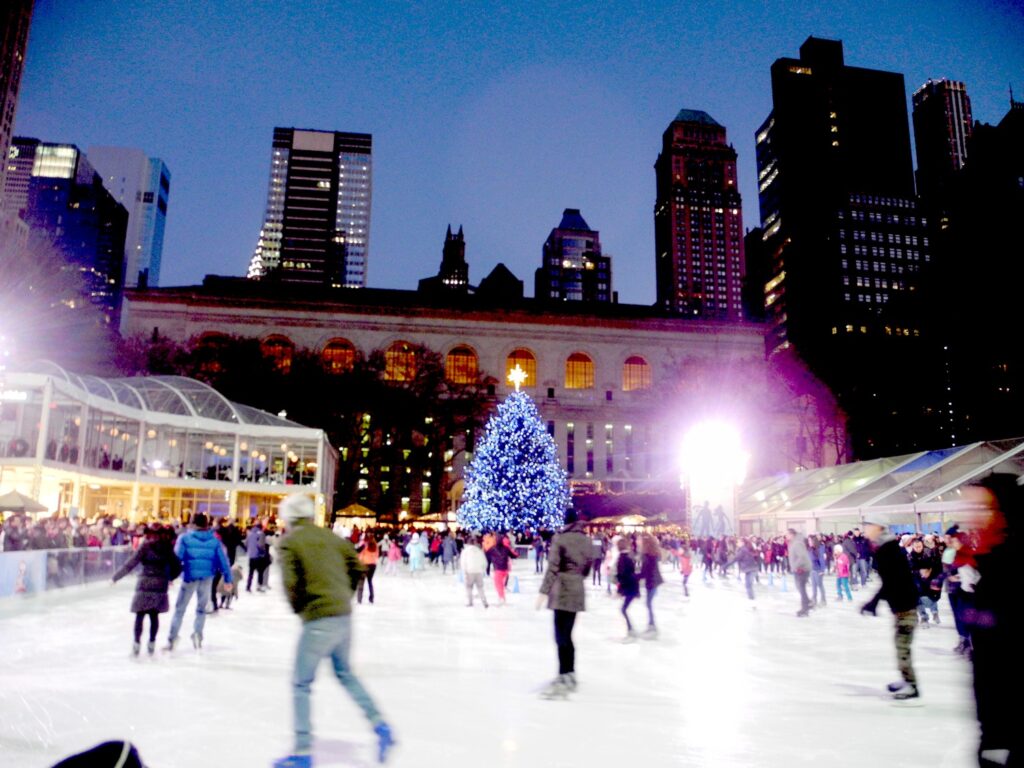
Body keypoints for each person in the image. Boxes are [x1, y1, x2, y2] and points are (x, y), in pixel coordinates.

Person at [274, 493, 394, 768]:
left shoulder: (291, 541)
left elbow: (291, 584)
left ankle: (302, 751)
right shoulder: (332, 537)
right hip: (343, 617)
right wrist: (343, 596)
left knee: (301, 683)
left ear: (289, 518)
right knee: (345, 673)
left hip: (319, 618)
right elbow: (356, 566)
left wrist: (303, 608)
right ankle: (380, 724)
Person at [859, 520, 921, 701]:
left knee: (902, 646)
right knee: (901, 645)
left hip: (905, 605)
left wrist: (873, 603)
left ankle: (912, 686)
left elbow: (891, 581)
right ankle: (906, 679)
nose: (865, 530)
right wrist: (874, 603)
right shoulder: (887, 548)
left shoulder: (888, 550)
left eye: (868, 526)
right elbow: (890, 581)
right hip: (901, 604)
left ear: (879, 527)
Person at [536, 508, 592, 699]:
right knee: (568, 635)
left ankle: (563, 675)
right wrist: (577, 578)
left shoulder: (560, 539)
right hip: (577, 590)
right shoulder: (586, 539)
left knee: (561, 637)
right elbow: (588, 567)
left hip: (561, 592)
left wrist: (543, 592)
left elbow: (552, 568)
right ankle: (570, 673)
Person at [165, 513, 232, 651]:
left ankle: (172, 638)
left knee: (180, 609)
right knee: (201, 609)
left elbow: (176, 559)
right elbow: (223, 561)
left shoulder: (184, 538)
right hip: (207, 577)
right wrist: (228, 579)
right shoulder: (214, 541)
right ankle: (197, 635)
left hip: (189, 577)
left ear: (193, 524)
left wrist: (170, 577)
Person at [111, 524, 180, 656]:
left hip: (145, 583)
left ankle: (136, 644)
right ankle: (151, 643)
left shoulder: (145, 546)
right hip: (160, 584)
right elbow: (177, 566)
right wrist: (170, 578)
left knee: (140, 615)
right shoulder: (167, 547)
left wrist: (115, 577)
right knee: (154, 616)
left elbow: (131, 563)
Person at [638, 533, 663, 637]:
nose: (638, 542)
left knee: (648, 604)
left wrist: (633, 576)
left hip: (652, 582)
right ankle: (651, 625)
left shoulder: (647, 555)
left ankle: (652, 626)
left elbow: (644, 572)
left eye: (640, 540)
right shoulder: (653, 553)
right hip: (654, 581)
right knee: (648, 604)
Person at [616, 537, 640, 642]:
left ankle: (631, 631)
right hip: (632, 586)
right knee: (624, 609)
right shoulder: (628, 557)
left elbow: (623, 575)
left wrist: (620, 589)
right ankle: (631, 630)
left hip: (630, 587)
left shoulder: (622, 559)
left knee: (623, 609)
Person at [486, 533, 517, 605]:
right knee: (501, 585)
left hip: (498, 570)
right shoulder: (506, 548)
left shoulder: (492, 549)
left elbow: (486, 555)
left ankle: (501, 598)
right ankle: (502, 598)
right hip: (505, 570)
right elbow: (514, 555)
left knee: (498, 585)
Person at [787, 529, 813, 617]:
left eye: (787, 534)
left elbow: (802, 556)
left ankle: (805, 609)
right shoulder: (794, 543)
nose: (786, 536)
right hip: (799, 569)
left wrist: (795, 566)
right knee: (800, 588)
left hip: (802, 569)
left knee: (801, 588)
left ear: (792, 534)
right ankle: (808, 603)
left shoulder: (797, 543)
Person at [460, 534, 488, 608]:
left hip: (469, 572)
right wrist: (482, 570)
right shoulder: (479, 551)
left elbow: (463, 562)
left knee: (468, 587)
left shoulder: (465, 551)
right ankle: (484, 601)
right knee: (480, 588)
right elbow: (484, 562)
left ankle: (470, 602)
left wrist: (464, 571)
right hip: (479, 572)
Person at [245, 522, 269, 592]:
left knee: (251, 572)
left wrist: (250, 550)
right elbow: (261, 545)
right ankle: (259, 586)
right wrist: (263, 552)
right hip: (258, 556)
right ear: (261, 527)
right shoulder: (261, 534)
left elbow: (246, 543)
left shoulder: (250, 534)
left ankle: (248, 586)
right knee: (260, 572)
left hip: (251, 556)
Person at [356, 534, 378, 604]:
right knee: (370, 581)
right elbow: (377, 555)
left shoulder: (365, 546)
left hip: (365, 565)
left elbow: (360, 555)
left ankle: (359, 599)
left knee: (361, 581)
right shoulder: (376, 546)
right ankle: (371, 598)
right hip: (373, 565)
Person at [736, 538, 760, 604]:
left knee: (748, 585)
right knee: (748, 585)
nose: (737, 543)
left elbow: (755, 555)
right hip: (748, 568)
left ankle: (752, 600)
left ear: (742, 542)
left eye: (738, 542)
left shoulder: (746, 549)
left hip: (751, 568)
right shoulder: (742, 549)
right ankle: (751, 599)